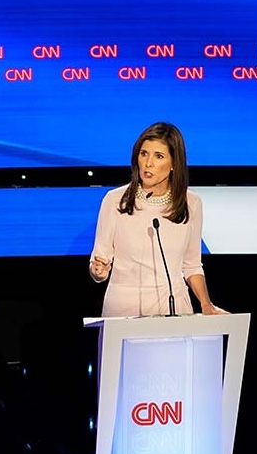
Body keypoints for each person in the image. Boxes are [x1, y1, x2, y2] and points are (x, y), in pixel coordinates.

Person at [89, 121, 229, 318]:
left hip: (174, 307)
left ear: (174, 164)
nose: (148, 163)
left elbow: (192, 264)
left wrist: (206, 304)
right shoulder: (115, 200)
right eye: (144, 153)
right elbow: (99, 259)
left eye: (159, 156)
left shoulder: (192, 203)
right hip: (124, 309)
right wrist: (98, 271)